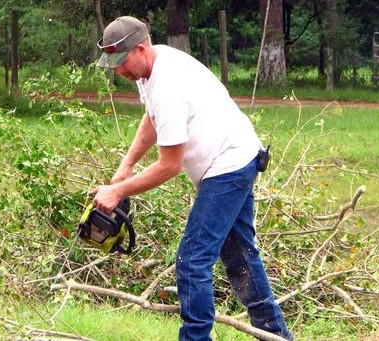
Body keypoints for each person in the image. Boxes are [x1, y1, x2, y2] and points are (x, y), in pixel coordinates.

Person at [90, 16, 293, 341]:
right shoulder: (151, 69)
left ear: (140, 49)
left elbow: (169, 166)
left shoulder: (169, 86)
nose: (118, 72)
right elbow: (152, 118)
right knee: (240, 256)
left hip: (229, 165)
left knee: (191, 261)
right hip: (233, 157)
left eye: (121, 62)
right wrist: (126, 166)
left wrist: (118, 191)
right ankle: (276, 337)